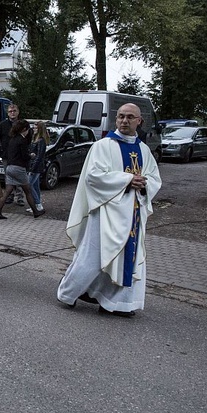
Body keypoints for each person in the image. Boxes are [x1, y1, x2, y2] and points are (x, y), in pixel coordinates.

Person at [57, 103, 162, 317]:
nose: (124, 121)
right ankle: (68, 293)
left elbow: (155, 179)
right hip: (104, 213)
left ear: (139, 121)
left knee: (127, 259)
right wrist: (127, 180)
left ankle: (116, 303)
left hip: (132, 214)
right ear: (116, 120)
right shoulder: (103, 146)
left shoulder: (143, 150)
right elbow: (93, 177)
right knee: (92, 258)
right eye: (121, 116)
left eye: (130, 117)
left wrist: (144, 184)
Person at [0, 119, 44, 219]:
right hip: (18, 168)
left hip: (9, 167)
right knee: (28, 190)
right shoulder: (22, 140)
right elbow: (24, 156)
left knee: (7, 191)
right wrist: (31, 156)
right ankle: (35, 211)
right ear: (24, 129)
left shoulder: (12, 139)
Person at [0, 103, 25, 206]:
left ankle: (20, 197)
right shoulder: (3, 125)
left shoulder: (22, 124)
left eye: (14, 111)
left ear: (18, 112)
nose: (12, 113)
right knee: (7, 177)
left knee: (19, 176)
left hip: (18, 156)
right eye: (10, 111)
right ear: (7, 113)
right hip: (6, 155)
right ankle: (10, 196)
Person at [27, 121, 49, 213]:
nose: (33, 129)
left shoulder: (41, 141)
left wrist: (33, 168)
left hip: (36, 166)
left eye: (35, 128)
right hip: (34, 165)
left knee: (29, 184)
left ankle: (37, 203)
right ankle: (37, 204)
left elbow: (40, 156)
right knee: (35, 186)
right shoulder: (36, 139)